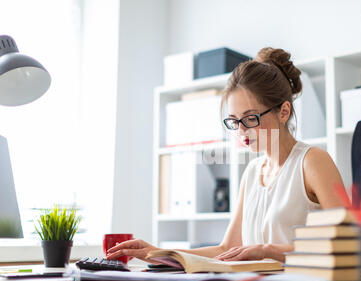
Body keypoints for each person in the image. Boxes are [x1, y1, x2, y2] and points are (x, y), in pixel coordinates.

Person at [106, 47, 345, 263]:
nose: (241, 130)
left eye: (251, 118)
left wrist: (268, 251)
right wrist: (155, 253)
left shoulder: (312, 162)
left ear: (284, 111)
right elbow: (227, 249)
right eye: (234, 121)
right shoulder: (252, 173)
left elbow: (348, 242)